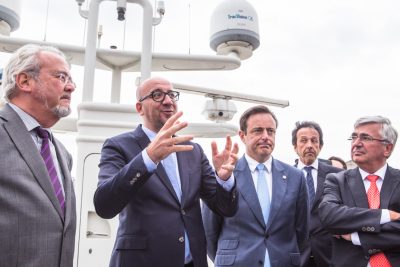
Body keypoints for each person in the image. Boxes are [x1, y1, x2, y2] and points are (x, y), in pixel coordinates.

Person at [93, 77, 239, 267]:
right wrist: (149, 158)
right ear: (139, 108)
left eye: (171, 94)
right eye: (157, 95)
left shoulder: (193, 151)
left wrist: (224, 180)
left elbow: (224, 208)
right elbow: (104, 205)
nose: (168, 100)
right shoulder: (118, 146)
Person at [202, 105, 309, 267]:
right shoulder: (225, 175)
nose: (266, 136)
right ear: (242, 135)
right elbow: (210, 232)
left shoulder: (296, 177)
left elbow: (301, 231)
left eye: (270, 131)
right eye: (258, 130)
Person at [0, 44, 76, 267]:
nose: (71, 87)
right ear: (25, 81)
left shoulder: (62, 152)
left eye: (71, 79)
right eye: (61, 76)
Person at [319, 116, 400, 267]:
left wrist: (355, 236)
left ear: (387, 148)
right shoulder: (336, 180)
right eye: (354, 137)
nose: (356, 143)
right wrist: (384, 215)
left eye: (365, 138)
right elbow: (329, 216)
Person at [292, 121, 343, 267]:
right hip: (297, 254)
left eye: (314, 141)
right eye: (303, 140)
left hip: (329, 255)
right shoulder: (285, 176)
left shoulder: (338, 176)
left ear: (320, 146)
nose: (309, 145)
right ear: (295, 146)